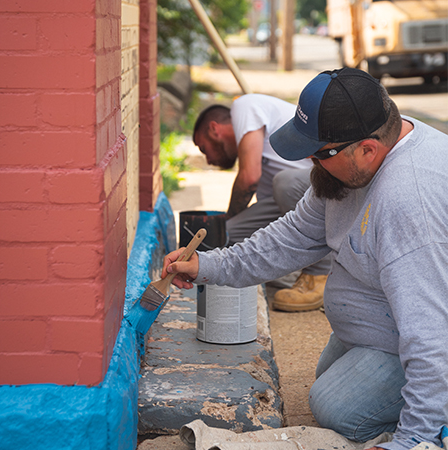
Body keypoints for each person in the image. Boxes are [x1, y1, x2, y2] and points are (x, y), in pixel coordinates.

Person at [163, 68, 448, 449]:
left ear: (367, 149)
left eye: (319, 153)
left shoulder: (407, 203)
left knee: (337, 408)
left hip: (432, 333)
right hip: (386, 324)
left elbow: (431, 334)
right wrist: (208, 266)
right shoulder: (355, 167)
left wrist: (415, 437)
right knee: (329, 381)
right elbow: (291, 238)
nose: (310, 161)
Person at [193, 94, 329, 311]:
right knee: (230, 234)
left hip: (326, 184)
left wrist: (225, 216)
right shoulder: (262, 160)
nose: (208, 160)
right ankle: (294, 268)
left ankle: (321, 275)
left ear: (214, 129)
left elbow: (248, 179)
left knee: (284, 183)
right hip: (296, 196)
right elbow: (277, 218)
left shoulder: (244, 106)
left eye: (203, 148)